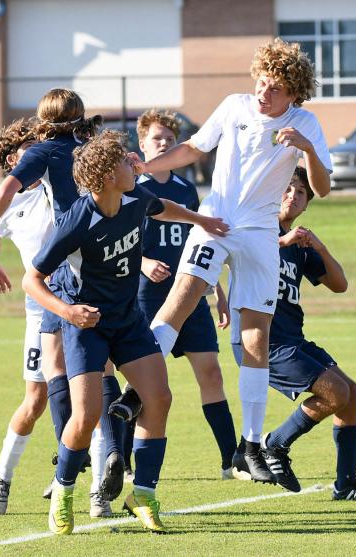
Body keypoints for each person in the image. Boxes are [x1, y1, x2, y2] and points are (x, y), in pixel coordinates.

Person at [128, 38, 332, 482]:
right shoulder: (234, 106)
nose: (263, 93)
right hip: (215, 219)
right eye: (261, 82)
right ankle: (133, 392)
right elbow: (195, 149)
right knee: (179, 303)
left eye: (274, 87)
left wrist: (308, 150)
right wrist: (147, 167)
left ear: (293, 91)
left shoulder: (305, 123)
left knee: (256, 338)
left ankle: (252, 445)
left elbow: (323, 187)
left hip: (259, 235)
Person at [23, 129, 229, 534]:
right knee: (86, 416)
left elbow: (162, 206)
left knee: (159, 397)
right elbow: (32, 280)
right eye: (122, 160)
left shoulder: (134, 200)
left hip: (128, 320)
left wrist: (200, 219)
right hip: (88, 326)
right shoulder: (77, 221)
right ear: (103, 175)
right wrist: (68, 310)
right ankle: (64, 491)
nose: (132, 162)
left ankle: (144, 493)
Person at [0, 89, 126, 510]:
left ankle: (92, 480)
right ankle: (4, 475)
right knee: (38, 398)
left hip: (71, 284)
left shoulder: (52, 167)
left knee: (88, 380)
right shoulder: (21, 198)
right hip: (44, 296)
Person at [231, 167, 356, 501]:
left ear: (306, 205)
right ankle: (274, 445)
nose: (292, 196)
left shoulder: (299, 245)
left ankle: (345, 487)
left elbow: (340, 285)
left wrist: (319, 247)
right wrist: (284, 240)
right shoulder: (258, 225)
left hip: (292, 340)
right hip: (261, 342)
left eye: (301, 193)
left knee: (350, 394)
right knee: (336, 393)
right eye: (287, 188)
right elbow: (242, 251)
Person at [108, 108, 241, 481]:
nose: (164, 143)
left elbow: (203, 243)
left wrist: (220, 292)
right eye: (156, 138)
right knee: (143, 381)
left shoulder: (184, 189)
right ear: (142, 143)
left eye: (170, 139)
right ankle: (126, 463)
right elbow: (116, 240)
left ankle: (231, 461)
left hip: (192, 295)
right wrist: (143, 263)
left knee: (211, 373)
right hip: (148, 298)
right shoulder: (131, 186)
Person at [0, 118, 55, 516]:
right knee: (36, 399)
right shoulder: (12, 201)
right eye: (28, 146)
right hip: (41, 308)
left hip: (84, 300)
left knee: (93, 389)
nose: (38, 151)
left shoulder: (62, 182)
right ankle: (2, 476)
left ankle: (72, 478)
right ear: (11, 159)